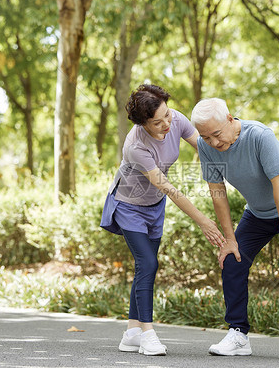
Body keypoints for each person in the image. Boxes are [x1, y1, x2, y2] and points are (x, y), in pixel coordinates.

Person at [190, 97, 279, 361]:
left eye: (216, 134)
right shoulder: (207, 148)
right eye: (205, 137)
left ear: (229, 119)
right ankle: (238, 334)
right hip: (259, 212)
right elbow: (217, 192)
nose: (213, 143)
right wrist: (229, 239)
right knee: (232, 258)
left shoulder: (260, 136)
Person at [100, 85, 226, 356]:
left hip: (154, 206)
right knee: (148, 263)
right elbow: (169, 188)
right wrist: (203, 220)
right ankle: (147, 333)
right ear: (142, 124)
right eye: (157, 122)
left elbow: (204, 147)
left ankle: (131, 333)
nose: (167, 124)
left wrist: (230, 163)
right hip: (129, 205)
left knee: (145, 267)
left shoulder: (176, 119)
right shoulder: (136, 146)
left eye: (167, 115)